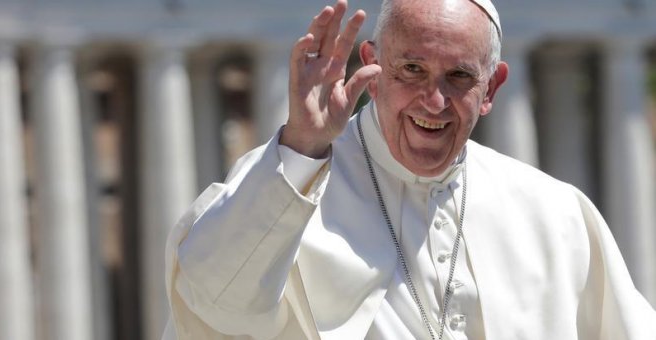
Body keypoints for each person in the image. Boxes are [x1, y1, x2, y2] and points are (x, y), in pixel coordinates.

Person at [163, 0, 656, 339]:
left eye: (460, 76)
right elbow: (215, 305)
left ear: (492, 88)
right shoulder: (285, 182)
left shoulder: (555, 213)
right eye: (411, 70)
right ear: (372, 70)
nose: (434, 100)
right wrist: (303, 146)